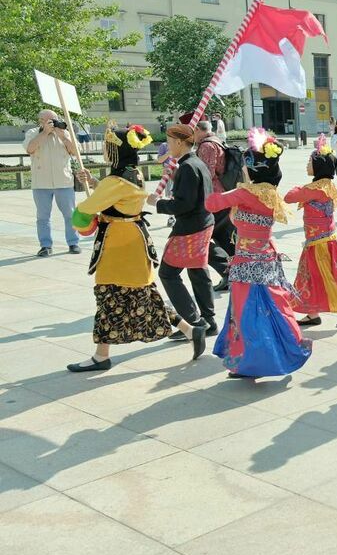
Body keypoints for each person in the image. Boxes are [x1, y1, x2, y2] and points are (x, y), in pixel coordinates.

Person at [65, 125, 172, 372]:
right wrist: (94, 182)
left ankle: (101, 356)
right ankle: (191, 330)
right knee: (143, 293)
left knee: (108, 295)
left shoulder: (115, 180)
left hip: (118, 244)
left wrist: (81, 215)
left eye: (109, 147)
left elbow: (84, 211)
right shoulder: (133, 172)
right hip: (134, 237)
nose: (106, 150)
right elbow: (117, 195)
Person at [208, 130, 311, 378]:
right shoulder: (271, 194)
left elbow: (211, 203)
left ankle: (251, 361)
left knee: (247, 312)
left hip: (246, 261)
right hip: (266, 257)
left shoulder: (245, 193)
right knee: (274, 306)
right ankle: (287, 348)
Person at [286, 136, 337, 329]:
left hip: (319, 244)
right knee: (311, 277)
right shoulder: (327, 185)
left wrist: (299, 187)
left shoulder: (315, 189)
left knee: (328, 277)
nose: (307, 165)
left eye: (310, 162)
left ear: (319, 166)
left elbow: (289, 197)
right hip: (321, 240)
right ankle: (312, 313)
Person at [150, 123, 214, 357]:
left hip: (190, 227)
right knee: (198, 270)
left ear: (179, 142)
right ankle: (208, 320)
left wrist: (158, 204)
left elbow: (183, 204)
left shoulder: (187, 167)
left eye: (169, 140)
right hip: (204, 222)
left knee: (168, 273)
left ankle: (193, 322)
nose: (167, 145)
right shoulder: (197, 163)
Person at [25, 109, 81, 256]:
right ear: (41, 121)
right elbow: (30, 148)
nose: (52, 123)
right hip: (41, 183)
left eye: (54, 119)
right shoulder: (33, 133)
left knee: (70, 215)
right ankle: (45, 246)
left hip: (64, 181)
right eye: (48, 120)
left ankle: (73, 243)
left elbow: (76, 152)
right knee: (43, 217)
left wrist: (63, 136)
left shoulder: (64, 132)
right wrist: (44, 133)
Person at [192, 118, 235, 293]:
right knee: (225, 238)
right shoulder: (216, 141)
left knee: (200, 238)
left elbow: (206, 174)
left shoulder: (207, 146)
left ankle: (228, 271)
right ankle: (235, 273)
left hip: (213, 199)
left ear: (197, 129)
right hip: (222, 197)